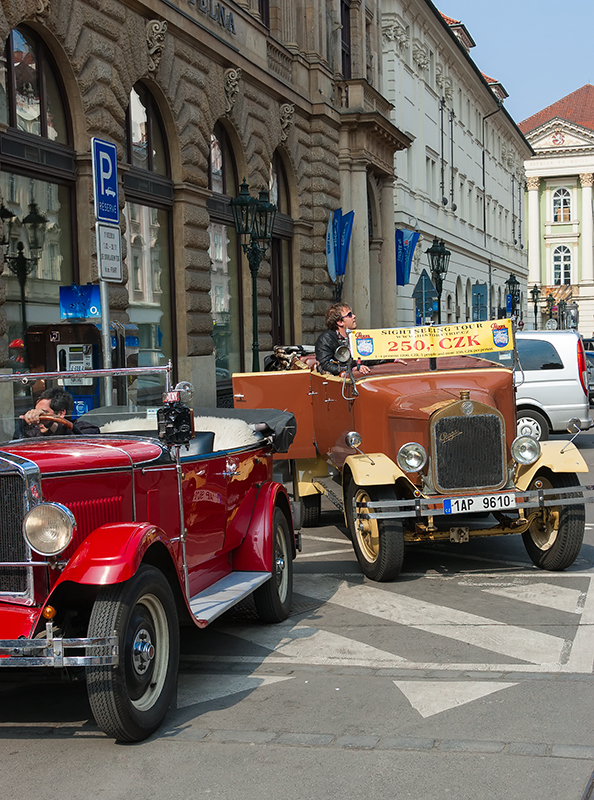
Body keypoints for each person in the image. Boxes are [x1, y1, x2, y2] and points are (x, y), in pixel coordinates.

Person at [14, 387, 100, 438]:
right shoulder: (34, 434)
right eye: (37, 412)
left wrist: (49, 422)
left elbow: (84, 442)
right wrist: (23, 423)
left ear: (60, 413)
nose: (39, 417)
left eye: (44, 413)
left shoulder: (85, 429)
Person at [315, 302, 371, 376]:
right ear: (340, 322)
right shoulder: (326, 339)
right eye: (350, 315)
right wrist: (351, 369)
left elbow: (370, 357)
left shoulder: (358, 336)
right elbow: (326, 365)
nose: (354, 316)